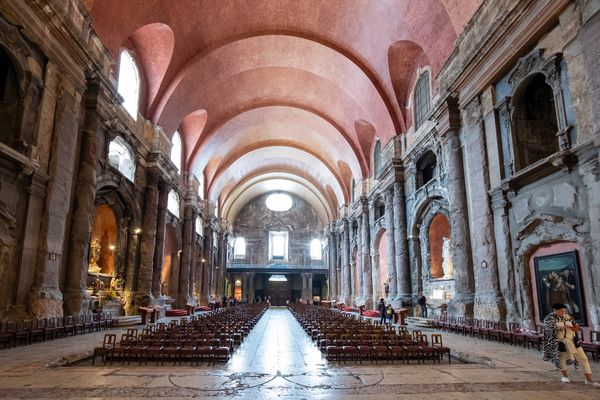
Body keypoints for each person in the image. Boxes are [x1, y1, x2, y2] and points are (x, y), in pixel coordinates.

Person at [542, 303, 600, 387]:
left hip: (572, 341)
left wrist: (576, 328)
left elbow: (577, 328)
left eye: (564, 310)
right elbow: (548, 331)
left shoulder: (568, 317)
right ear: (555, 310)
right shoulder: (549, 318)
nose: (563, 312)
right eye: (561, 310)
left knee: (583, 358)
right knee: (562, 359)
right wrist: (562, 327)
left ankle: (589, 380)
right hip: (559, 342)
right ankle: (564, 376)